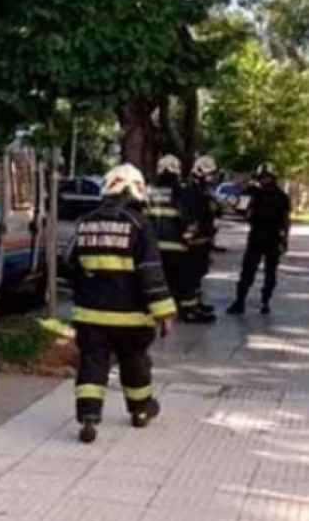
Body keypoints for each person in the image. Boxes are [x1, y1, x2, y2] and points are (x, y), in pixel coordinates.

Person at [67, 163, 176, 444]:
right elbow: (151, 272)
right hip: (131, 317)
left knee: (92, 364)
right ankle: (140, 411)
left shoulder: (84, 222)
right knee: (135, 362)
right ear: (135, 191)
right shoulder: (140, 225)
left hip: (90, 314)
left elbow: (70, 263)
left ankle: (89, 417)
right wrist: (164, 312)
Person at [147, 155, 211, 323]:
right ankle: (188, 311)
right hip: (176, 248)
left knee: (160, 282)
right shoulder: (181, 193)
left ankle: (158, 312)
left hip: (154, 248)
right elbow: (188, 220)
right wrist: (192, 239)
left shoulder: (150, 191)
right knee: (182, 282)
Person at [227, 163, 291, 315]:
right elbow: (237, 202)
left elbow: (286, 220)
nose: (265, 180)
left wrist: (285, 239)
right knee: (249, 269)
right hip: (258, 235)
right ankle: (240, 300)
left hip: (272, 236)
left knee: (269, 272)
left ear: (273, 178)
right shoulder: (254, 192)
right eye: (263, 177)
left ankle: (264, 302)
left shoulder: (281, 196)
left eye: (267, 177)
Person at [187, 155, 221, 315]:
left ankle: (197, 303)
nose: (212, 178)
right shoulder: (193, 193)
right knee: (192, 276)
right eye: (210, 174)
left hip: (204, 240)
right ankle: (190, 308)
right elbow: (193, 217)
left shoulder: (204, 192)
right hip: (195, 243)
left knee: (199, 273)